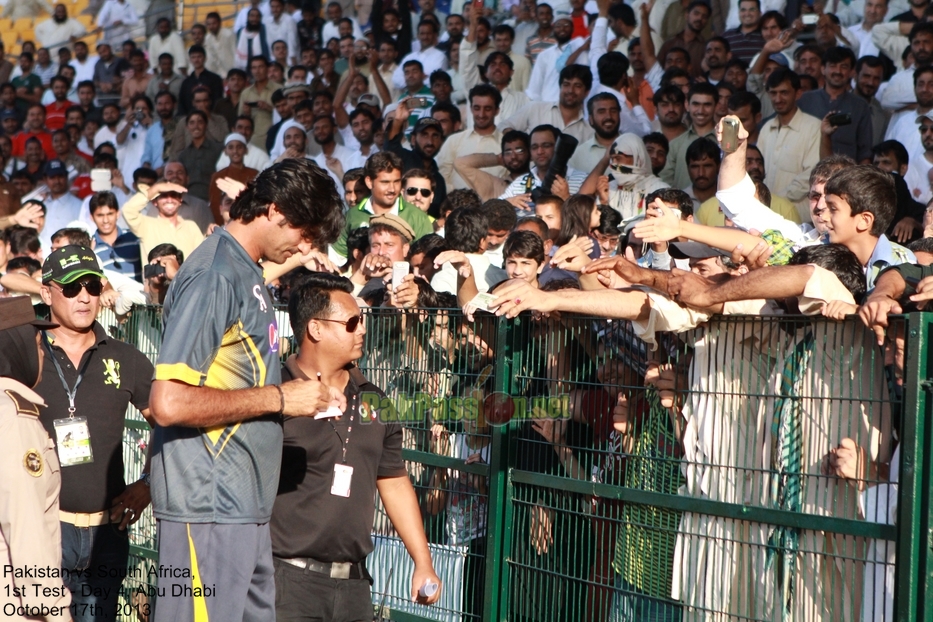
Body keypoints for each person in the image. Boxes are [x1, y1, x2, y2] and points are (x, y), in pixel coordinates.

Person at [147, 159, 345, 622]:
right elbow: (167, 401)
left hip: (244, 511)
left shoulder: (246, 270)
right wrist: (281, 399)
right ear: (275, 211)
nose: (307, 246)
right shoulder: (215, 274)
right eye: (306, 233)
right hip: (207, 508)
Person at [272, 272, 442, 620]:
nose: (362, 329)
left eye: (362, 320)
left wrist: (423, 563)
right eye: (351, 322)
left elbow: (394, 481)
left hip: (354, 586)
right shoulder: (273, 393)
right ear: (316, 329)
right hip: (283, 581)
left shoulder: (375, 400)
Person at [35, 245, 154, 622]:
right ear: (46, 293)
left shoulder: (125, 357)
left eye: (91, 285)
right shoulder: (25, 354)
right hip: (44, 530)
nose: (84, 296)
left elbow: (170, 425)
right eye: (71, 288)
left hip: (108, 533)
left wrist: (149, 483)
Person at [0, 295, 72, 622]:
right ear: (18, 348)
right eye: (37, 343)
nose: (43, 352)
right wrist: (56, 613)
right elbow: (26, 525)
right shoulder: (16, 420)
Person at [210, 133, 259, 224]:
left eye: (239, 147)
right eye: (231, 147)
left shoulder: (254, 174)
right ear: (225, 151)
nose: (235, 151)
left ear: (246, 150)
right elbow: (215, 205)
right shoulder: (218, 176)